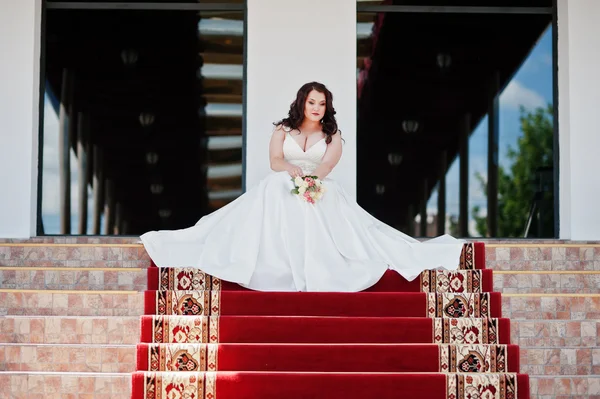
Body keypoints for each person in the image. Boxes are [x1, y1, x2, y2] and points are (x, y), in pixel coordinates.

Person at [140, 82, 465, 292]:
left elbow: (327, 165)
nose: (317, 108)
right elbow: (275, 160)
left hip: (319, 183)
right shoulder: (283, 129)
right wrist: (293, 171)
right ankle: (277, 261)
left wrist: (311, 180)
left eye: (322, 103)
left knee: (318, 200)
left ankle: (320, 265)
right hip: (288, 177)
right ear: (302, 102)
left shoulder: (332, 136)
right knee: (276, 186)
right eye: (312, 102)